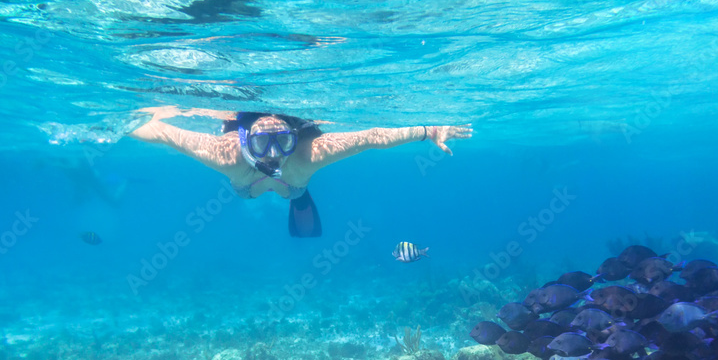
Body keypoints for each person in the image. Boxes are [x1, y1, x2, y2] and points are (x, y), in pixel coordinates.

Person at [130, 107, 472, 237]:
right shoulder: (227, 155)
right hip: (249, 187)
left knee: (292, 184)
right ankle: (297, 193)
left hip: (291, 186)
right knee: (282, 183)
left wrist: (429, 130)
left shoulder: (306, 155)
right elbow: (162, 132)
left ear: (296, 137)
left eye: (284, 141)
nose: (274, 155)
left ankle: (299, 196)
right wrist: (120, 122)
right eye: (264, 143)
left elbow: (371, 138)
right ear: (244, 138)